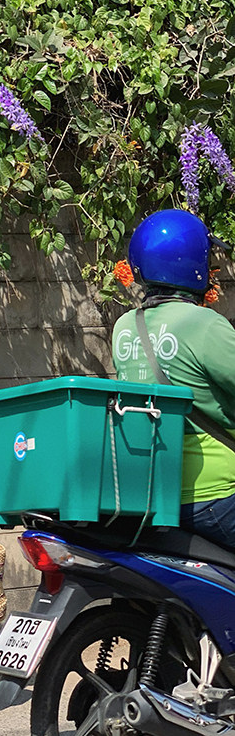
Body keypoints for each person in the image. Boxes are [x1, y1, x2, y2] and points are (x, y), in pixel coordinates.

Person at [111, 209, 235, 548]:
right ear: (193, 264)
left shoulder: (124, 328)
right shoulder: (204, 324)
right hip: (216, 494)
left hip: (154, 494)